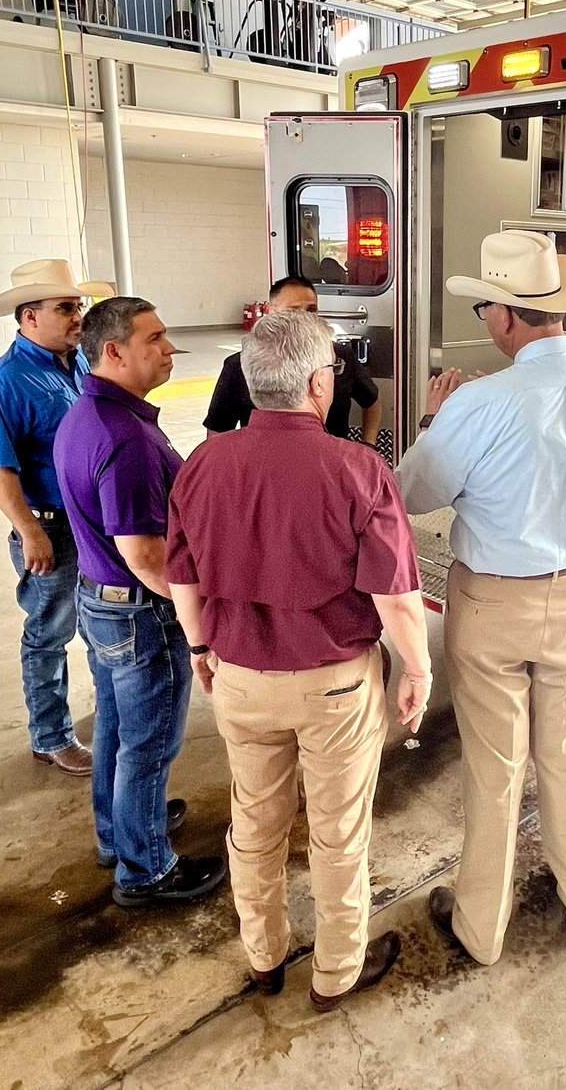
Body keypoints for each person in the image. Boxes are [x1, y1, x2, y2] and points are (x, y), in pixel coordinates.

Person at [166, 310, 430, 1008]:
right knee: (340, 832)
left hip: (240, 679)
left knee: (253, 824)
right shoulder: (358, 468)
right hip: (335, 688)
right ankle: (336, 973)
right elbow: (395, 597)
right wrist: (418, 670)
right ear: (320, 383)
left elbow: (182, 578)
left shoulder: (202, 465)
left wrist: (200, 648)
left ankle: (265, 956)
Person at [395, 230, 566, 966]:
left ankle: (480, 927)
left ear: (503, 316)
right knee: (565, 754)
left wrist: (438, 418)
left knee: (495, 769)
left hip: (495, 603)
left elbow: (411, 494)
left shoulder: (480, 402)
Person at [54, 297, 227, 907]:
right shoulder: (122, 438)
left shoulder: (91, 416)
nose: (169, 348)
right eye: (154, 338)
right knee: (150, 744)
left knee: (120, 730)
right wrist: (200, 624)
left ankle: (118, 832)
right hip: (138, 612)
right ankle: (146, 868)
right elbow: (149, 557)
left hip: (101, 602)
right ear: (113, 351)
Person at [0, 259, 113, 777]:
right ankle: (50, 735)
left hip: (91, 522)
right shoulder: (3, 383)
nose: (79, 316)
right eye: (66, 308)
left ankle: (108, 716)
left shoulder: (75, 363)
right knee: (50, 630)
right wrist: (31, 530)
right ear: (29, 317)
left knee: (103, 624)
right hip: (51, 527)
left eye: (78, 306)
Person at [203, 275, 382, 448]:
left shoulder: (339, 356)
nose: (305, 318)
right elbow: (218, 429)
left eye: (311, 310)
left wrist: (368, 444)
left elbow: (371, 401)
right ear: (271, 314)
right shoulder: (240, 364)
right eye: (294, 310)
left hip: (332, 463)